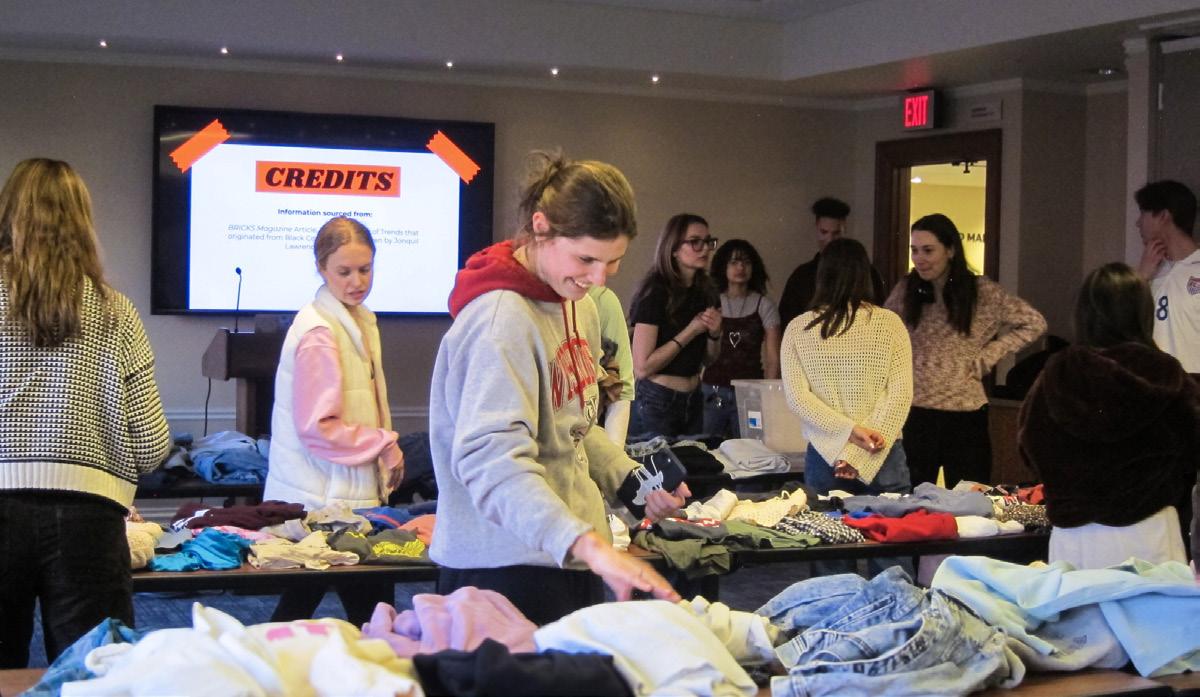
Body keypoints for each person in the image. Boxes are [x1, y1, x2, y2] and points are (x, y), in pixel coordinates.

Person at [429, 152, 689, 625]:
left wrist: (634, 482)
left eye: (612, 262)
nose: (598, 278)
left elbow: (573, 426)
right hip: (504, 566)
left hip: (567, 552)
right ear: (541, 228)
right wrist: (585, 543)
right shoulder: (499, 321)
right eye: (586, 259)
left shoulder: (578, 303)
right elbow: (492, 462)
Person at [0, 158, 172, 667]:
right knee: (95, 674)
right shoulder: (117, 311)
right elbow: (151, 447)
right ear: (81, 221)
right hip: (89, 518)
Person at [264, 216, 404, 625]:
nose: (357, 281)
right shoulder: (320, 332)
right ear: (321, 268)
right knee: (371, 612)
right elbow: (318, 428)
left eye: (365, 269)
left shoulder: (357, 319)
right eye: (344, 272)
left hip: (339, 494)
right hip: (325, 500)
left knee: (343, 607)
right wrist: (383, 443)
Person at [1019, 262, 1198, 569]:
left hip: (1074, 537)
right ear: (1143, 313)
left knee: (1078, 602)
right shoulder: (1166, 375)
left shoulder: (1057, 374)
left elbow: (1029, 447)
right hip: (1152, 532)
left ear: (1083, 313)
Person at [885, 213, 1046, 488]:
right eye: (914, 250)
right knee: (911, 497)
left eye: (928, 250)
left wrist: (992, 352)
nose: (919, 258)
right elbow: (883, 330)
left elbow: (1034, 322)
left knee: (969, 498)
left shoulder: (981, 291)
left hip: (965, 412)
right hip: (915, 410)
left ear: (950, 250)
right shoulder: (906, 289)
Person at [781, 238, 913, 499]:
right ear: (865, 274)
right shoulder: (890, 324)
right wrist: (861, 448)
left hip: (826, 455)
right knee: (895, 524)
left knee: (825, 524)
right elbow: (899, 396)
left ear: (822, 276)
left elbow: (798, 399)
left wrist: (849, 438)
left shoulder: (798, 328)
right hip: (882, 453)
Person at [628, 213, 722, 438]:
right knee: (658, 461)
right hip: (657, 398)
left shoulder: (707, 290)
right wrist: (691, 331)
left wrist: (715, 334)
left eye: (708, 241)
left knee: (692, 459)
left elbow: (709, 359)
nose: (705, 249)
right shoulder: (655, 292)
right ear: (674, 249)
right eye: (695, 242)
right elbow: (642, 368)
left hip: (694, 396)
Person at [701, 239, 782, 439]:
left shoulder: (764, 305)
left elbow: (773, 358)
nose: (740, 268)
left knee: (751, 446)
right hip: (713, 389)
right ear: (724, 266)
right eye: (734, 262)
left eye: (746, 262)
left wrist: (768, 394)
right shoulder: (711, 302)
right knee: (708, 445)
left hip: (750, 391)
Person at [779, 197, 885, 329]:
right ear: (816, 228)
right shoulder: (801, 277)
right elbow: (788, 323)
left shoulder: (868, 273)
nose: (830, 240)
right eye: (824, 232)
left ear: (844, 229)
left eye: (836, 233)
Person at [1134, 179, 1199, 374]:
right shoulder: (1146, 272)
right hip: (1154, 386)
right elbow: (1120, 327)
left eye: (1143, 213)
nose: (1138, 223)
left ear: (1163, 215)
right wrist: (1141, 277)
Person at [588, 284, 635, 446]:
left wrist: (614, 454)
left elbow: (621, 390)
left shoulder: (601, 299)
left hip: (589, 440)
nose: (599, 278)